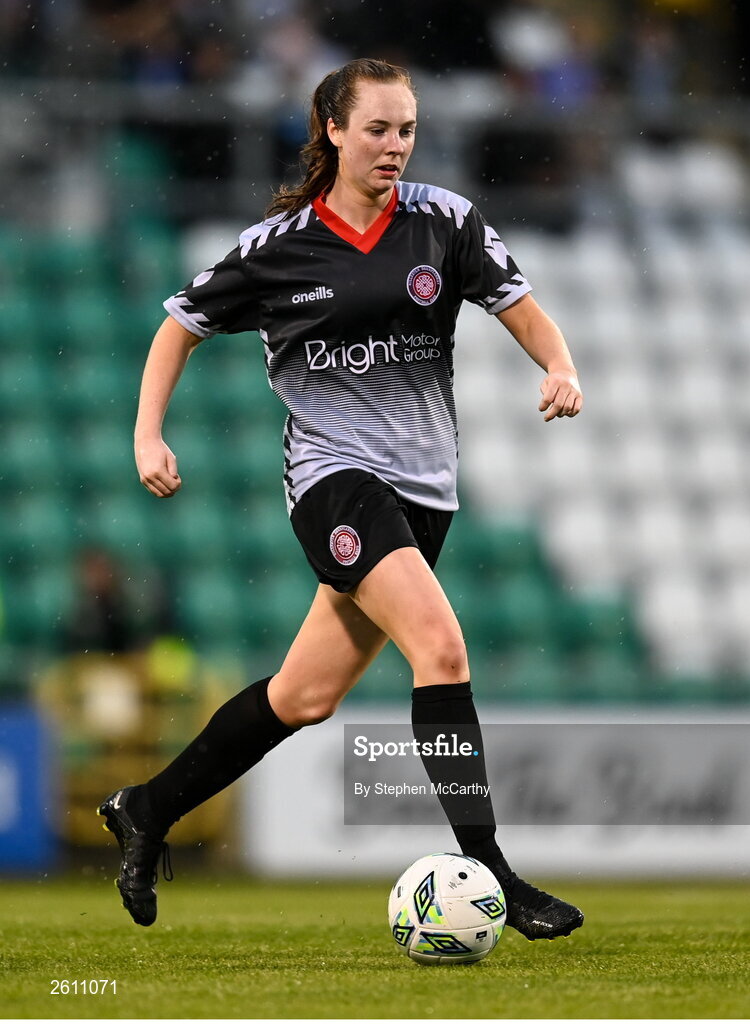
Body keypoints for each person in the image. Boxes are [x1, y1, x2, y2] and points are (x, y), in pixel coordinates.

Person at [98, 57, 584, 942]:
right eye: (377, 129)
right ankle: (495, 876)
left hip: (425, 490)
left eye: (406, 129)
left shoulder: (444, 222)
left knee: (304, 695)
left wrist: (557, 364)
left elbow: (522, 309)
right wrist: (147, 433)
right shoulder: (277, 247)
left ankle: (146, 806)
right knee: (439, 649)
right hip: (333, 482)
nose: (395, 146)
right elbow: (178, 328)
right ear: (330, 129)